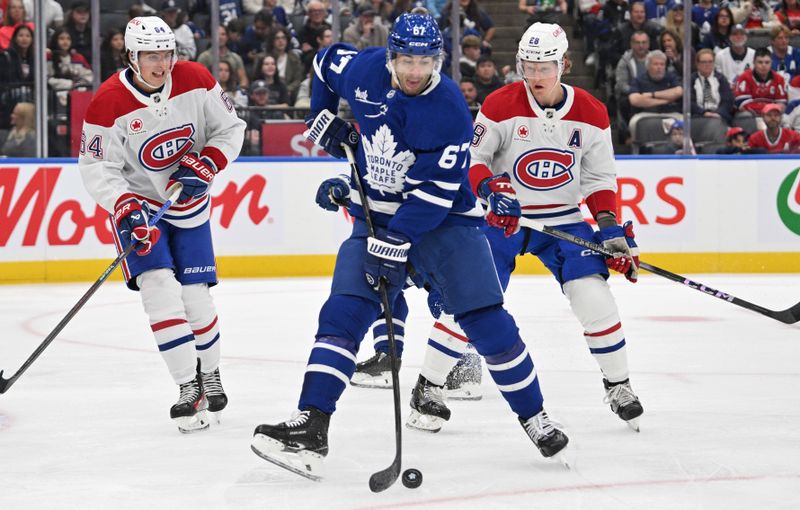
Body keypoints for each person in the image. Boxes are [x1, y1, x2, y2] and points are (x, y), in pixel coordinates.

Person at [250, 13, 569, 480]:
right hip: (377, 217)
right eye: (406, 60)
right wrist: (321, 118)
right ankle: (311, 426)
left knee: (486, 321)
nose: (415, 71)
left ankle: (534, 417)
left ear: (437, 60)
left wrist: (395, 240)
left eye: (425, 61)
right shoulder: (363, 70)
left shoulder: (448, 110)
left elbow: (436, 194)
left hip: (445, 224)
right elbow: (322, 63)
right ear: (392, 56)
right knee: (342, 313)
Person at [354, 21, 645, 434]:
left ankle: (619, 385)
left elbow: (599, 179)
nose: (536, 76)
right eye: (528, 65)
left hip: (563, 219)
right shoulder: (500, 103)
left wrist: (610, 228)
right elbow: (472, 160)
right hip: (503, 219)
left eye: (545, 67)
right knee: (470, 301)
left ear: (565, 64)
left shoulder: (592, 113)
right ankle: (428, 386)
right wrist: (491, 188)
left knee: (594, 299)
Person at [77, 16, 245, 433]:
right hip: (140, 211)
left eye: (166, 53)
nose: (162, 63)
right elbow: (97, 166)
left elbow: (230, 129)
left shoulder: (196, 78)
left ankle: (211, 374)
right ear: (131, 56)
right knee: (158, 290)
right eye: (151, 55)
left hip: (189, 203)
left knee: (196, 296)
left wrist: (206, 163)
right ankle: (189, 386)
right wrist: (123, 204)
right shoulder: (107, 102)